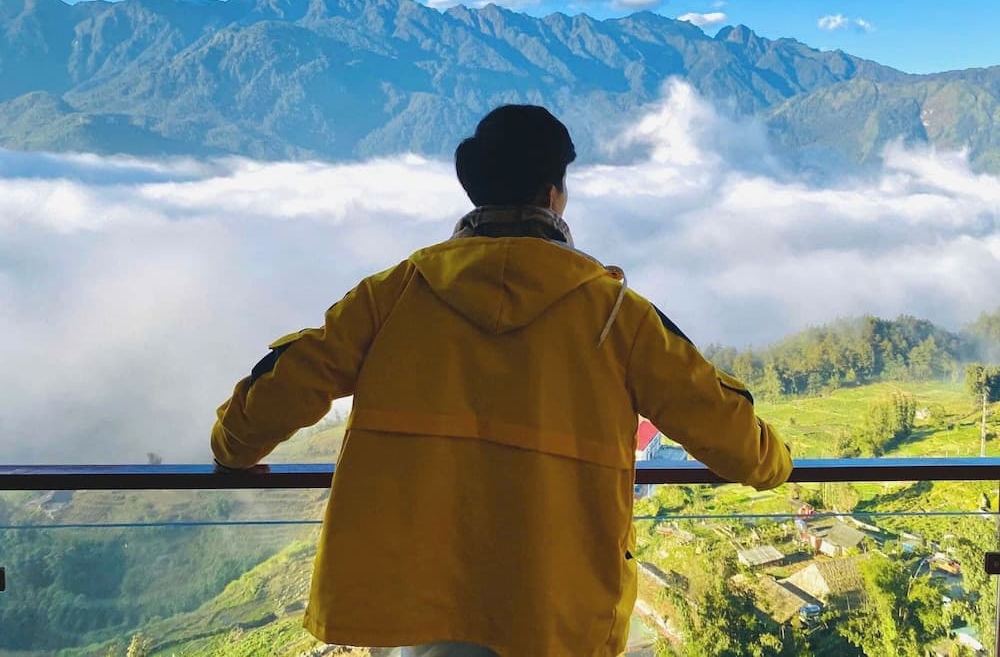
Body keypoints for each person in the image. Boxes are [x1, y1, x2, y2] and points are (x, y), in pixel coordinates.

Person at [211, 104, 793, 657]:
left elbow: (285, 385)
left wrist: (233, 451)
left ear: (474, 190)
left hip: (414, 599)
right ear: (552, 195)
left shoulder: (392, 295)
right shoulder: (618, 316)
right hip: (554, 607)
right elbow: (736, 441)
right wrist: (776, 463)